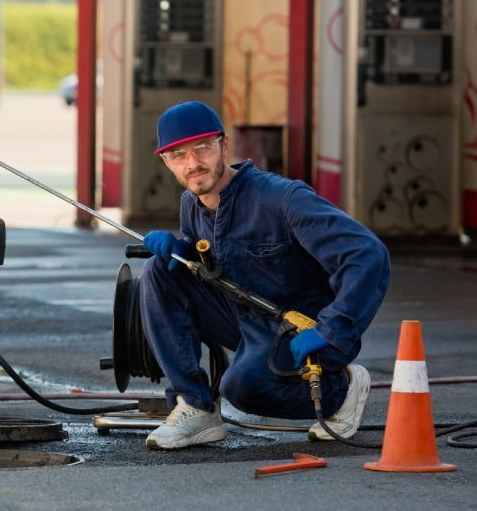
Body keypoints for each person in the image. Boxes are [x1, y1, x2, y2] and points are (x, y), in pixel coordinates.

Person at [139, 101, 390, 450]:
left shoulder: (282, 198)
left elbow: (368, 255)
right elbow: (211, 267)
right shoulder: (191, 204)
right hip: (246, 323)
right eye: (178, 155)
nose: (193, 163)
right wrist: (182, 253)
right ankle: (196, 406)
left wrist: (333, 329)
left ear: (224, 145)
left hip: (300, 331)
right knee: (158, 272)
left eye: (202, 148)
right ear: (166, 162)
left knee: (242, 389)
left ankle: (340, 389)